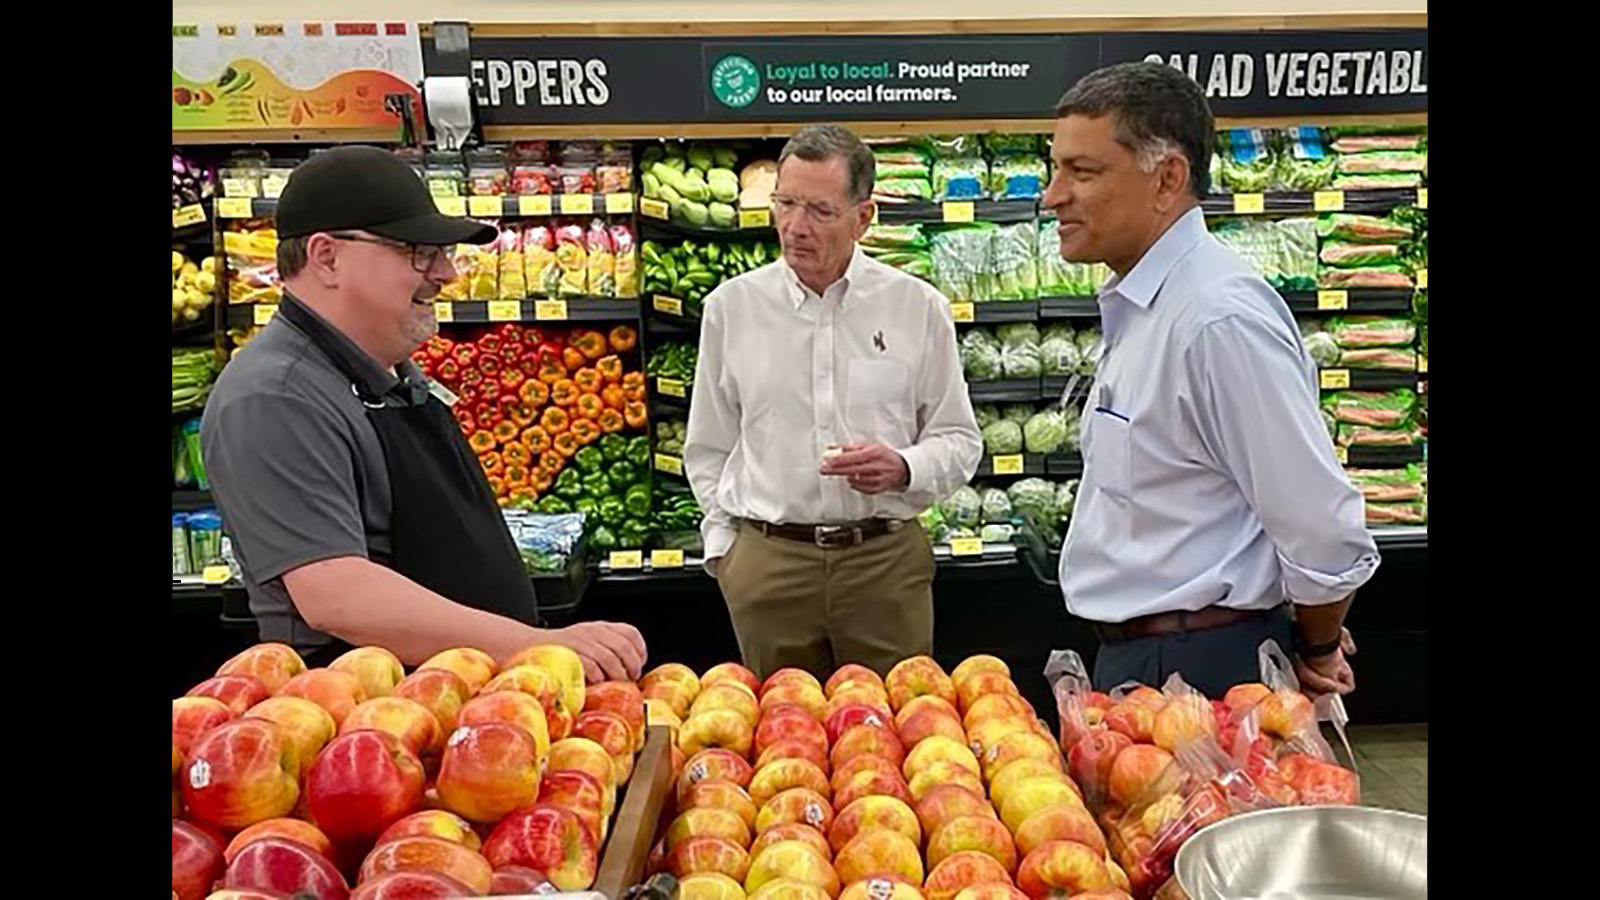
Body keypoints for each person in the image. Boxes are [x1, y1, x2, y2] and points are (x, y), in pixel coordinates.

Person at [201, 146, 646, 683]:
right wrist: (532, 645)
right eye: (418, 251)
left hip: (457, 696)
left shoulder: (389, 372)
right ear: (326, 257)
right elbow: (334, 594)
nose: (448, 273)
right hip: (371, 720)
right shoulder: (275, 396)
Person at [1046, 63, 1378, 699]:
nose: (1053, 194)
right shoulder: (1150, 304)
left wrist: (1318, 644)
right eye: (1056, 167)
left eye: (1081, 172)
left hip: (1200, 672)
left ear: (1167, 178)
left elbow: (1323, 527)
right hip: (1153, 661)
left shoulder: (1215, 320)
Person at [684, 124, 982, 679]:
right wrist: (728, 552)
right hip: (769, 565)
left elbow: (961, 441)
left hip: (883, 564)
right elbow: (708, 445)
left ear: (863, 217)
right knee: (778, 741)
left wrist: (904, 467)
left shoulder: (917, 308)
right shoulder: (732, 309)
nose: (795, 227)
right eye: (786, 204)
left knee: (897, 735)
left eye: (820, 210)